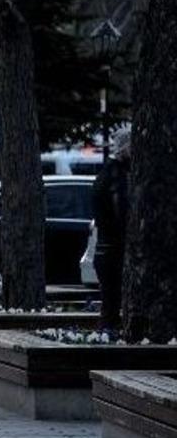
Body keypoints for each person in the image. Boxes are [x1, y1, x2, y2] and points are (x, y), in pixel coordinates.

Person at [92, 125, 131, 332]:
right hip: (115, 249)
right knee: (112, 306)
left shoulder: (106, 173)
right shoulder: (118, 175)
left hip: (105, 248)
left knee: (110, 305)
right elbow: (121, 213)